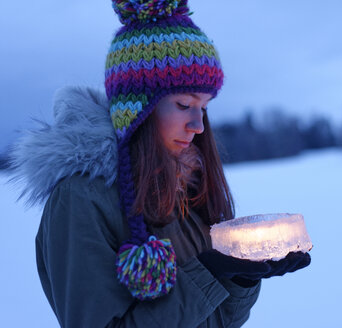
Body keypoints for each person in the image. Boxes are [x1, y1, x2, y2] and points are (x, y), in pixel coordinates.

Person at [9, 1, 311, 327]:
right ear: (137, 109)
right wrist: (205, 276)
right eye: (184, 103)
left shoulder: (184, 190)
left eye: (204, 108)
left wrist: (238, 281)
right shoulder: (81, 199)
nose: (198, 125)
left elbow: (215, 321)